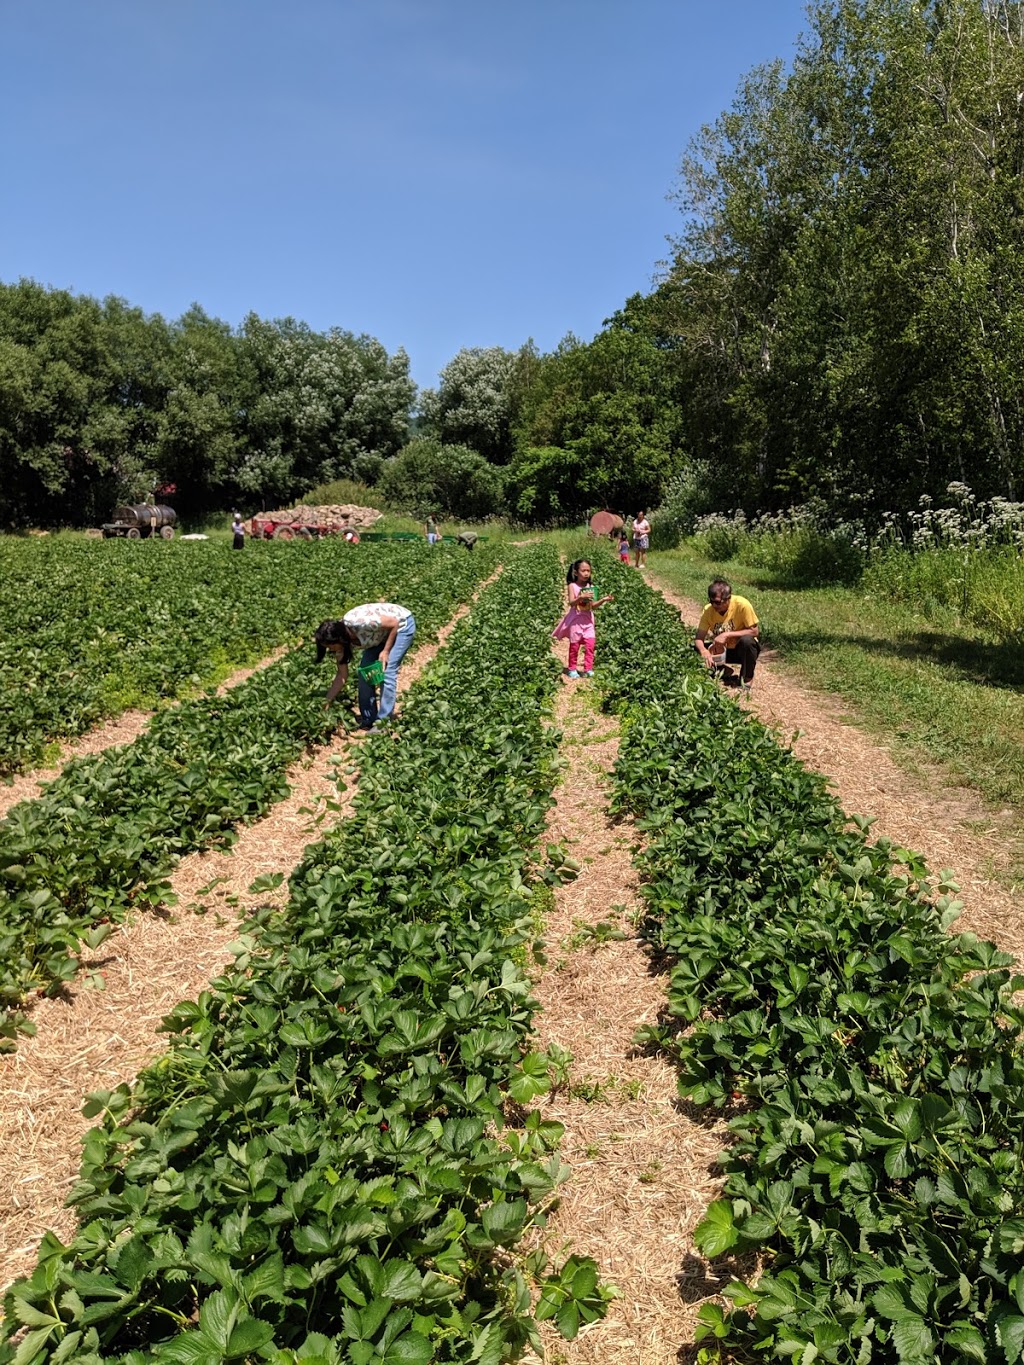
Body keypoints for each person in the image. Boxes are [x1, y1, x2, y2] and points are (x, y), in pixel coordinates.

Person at [314, 602, 416, 732]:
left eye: (331, 646)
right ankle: (368, 719)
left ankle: (383, 723)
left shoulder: (360, 623)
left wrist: (386, 651)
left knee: (387, 671)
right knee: (365, 673)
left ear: (339, 639)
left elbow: (394, 623)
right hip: (380, 636)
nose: (331, 650)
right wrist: (327, 701)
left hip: (401, 626)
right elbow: (342, 675)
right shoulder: (340, 644)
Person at [694, 579, 760, 692]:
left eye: (718, 602)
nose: (714, 605)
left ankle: (746, 678)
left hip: (742, 651)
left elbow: (754, 631)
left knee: (747, 641)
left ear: (728, 598)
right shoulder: (708, 610)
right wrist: (704, 651)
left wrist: (727, 634)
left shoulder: (742, 605)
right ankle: (722, 669)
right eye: (711, 601)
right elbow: (699, 638)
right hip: (722, 651)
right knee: (694, 649)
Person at [552, 559, 614, 679]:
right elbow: (571, 603)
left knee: (590, 645)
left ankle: (588, 669)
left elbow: (592, 606)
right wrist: (580, 597)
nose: (586, 573)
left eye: (588, 571)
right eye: (583, 570)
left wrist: (603, 600)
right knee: (574, 647)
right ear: (576, 573)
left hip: (588, 620)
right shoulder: (572, 586)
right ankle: (572, 668)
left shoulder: (591, 587)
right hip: (576, 620)